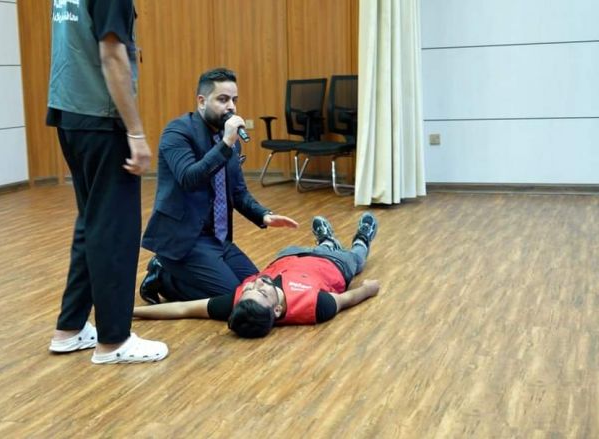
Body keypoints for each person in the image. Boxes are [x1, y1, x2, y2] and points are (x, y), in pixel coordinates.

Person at [45, 0, 167, 364]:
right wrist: (136, 132)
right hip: (101, 118)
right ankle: (114, 340)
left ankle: (69, 329)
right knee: (115, 229)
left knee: (92, 224)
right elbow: (112, 55)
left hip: (70, 115)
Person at [139, 67, 299, 304]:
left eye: (234, 100)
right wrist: (225, 143)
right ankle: (163, 276)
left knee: (260, 290)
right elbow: (189, 179)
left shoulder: (231, 142)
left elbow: (238, 192)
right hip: (184, 240)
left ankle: (173, 276)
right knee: (236, 299)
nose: (231, 107)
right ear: (202, 101)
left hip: (219, 239)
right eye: (223, 99)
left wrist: (264, 215)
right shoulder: (177, 132)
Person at [133, 213, 380, 338]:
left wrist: (129, 312)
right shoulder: (316, 307)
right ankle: (362, 238)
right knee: (356, 258)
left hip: (289, 255)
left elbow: (183, 309)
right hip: (334, 265)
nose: (256, 283)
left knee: (322, 247)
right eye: (261, 291)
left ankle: (326, 241)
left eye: (249, 289)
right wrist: (368, 290)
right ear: (276, 310)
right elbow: (347, 299)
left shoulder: (242, 303)